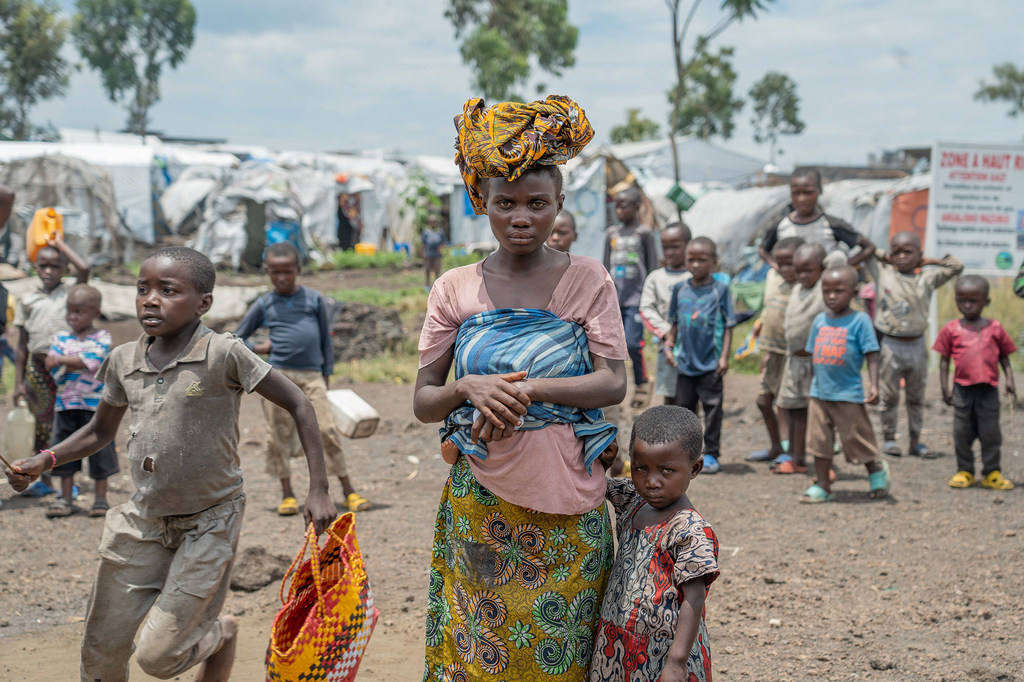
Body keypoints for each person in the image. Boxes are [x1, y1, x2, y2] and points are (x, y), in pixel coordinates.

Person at [3, 246, 337, 681]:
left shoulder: (223, 353)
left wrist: (318, 488)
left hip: (209, 521)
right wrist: (44, 459)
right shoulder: (123, 359)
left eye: (168, 290)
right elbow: (99, 431)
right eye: (143, 289)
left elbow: (299, 402)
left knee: (159, 657)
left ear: (203, 303)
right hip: (142, 520)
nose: (150, 300)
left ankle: (221, 635)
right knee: (100, 655)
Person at [416, 95, 626, 681]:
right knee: (481, 649)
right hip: (482, 500)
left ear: (559, 205)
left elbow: (613, 383)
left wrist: (528, 390)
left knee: (562, 652)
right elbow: (424, 401)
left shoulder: (588, 279)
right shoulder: (454, 288)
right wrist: (468, 387)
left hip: (568, 494)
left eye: (537, 203)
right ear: (481, 203)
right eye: (505, 203)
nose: (521, 217)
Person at [235, 241, 370, 515]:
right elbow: (236, 339)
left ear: (298, 269)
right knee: (278, 433)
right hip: (277, 377)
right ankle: (287, 494)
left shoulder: (314, 299)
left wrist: (326, 375)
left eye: (287, 271)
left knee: (326, 430)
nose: (281, 277)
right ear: (267, 271)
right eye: (275, 272)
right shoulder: (265, 303)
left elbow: (325, 342)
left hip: (312, 376)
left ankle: (348, 490)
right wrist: (260, 348)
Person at [588, 405, 719, 682]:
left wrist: (677, 662)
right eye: (641, 468)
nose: (651, 482)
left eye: (666, 471)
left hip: (664, 652)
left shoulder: (689, 529)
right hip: (616, 643)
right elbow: (598, 485)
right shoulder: (633, 501)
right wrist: (605, 463)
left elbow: (694, 598)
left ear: (695, 468)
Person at [865, 232, 962, 458]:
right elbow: (868, 252)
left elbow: (956, 266)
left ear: (919, 255)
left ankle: (915, 441)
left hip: (916, 344)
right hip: (890, 344)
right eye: (896, 252)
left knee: (916, 397)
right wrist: (886, 257)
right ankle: (889, 439)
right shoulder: (884, 274)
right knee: (889, 396)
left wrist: (928, 261)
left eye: (908, 252)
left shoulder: (926, 279)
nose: (901, 257)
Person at [799, 265, 891, 503]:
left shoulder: (860, 321)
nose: (831, 296)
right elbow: (813, 356)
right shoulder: (820, 320)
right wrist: (811, 387)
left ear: (854, 292)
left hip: (848, 393)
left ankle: (876, 471)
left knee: (855, 439)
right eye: (826, 291)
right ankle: (823, 484)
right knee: (819, 443)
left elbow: (872, 353)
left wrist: (874, 385)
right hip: (820, 393)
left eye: (838, 291)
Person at [12, 234, 90, 497]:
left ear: (65, 269)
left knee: (65, 424)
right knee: (40, 425)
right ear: (35, 267)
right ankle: (44, 479)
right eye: (43, 265)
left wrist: (60, 245)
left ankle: (67, 482)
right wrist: (19, 382)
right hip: (37, 370)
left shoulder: (71, 294)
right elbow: (22, 345)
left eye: (56, 266)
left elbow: (84, 269)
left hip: (66, 369)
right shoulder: (28, 300)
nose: (48, 271)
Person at [934, 275, 1016, 491]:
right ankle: (965, 471)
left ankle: (992, 472)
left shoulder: (995, 328)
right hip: (962, 390)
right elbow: (944, 361)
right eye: (962, 300)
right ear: (956, 301)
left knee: (991, 433)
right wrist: (945, 388)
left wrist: (1010, 380)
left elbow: (1004, 356)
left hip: (988, 389)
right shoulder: (951, 329)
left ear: (986, 301)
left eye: (973, 300)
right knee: (962, 433)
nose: (967, 305)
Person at [43, 285, 118, 518]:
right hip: (66, 405)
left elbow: (94, 361)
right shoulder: (61, 337)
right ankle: (65, 499)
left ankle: (100, 499)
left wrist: (63, 360)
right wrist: (74, 361)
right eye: (69, 311)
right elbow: (49, 363)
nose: (72, 317)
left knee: (100, 451)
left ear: (96, 313)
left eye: (79, 312)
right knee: (63, 451)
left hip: (95, 407)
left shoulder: (102, 337)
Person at [663, 237, 734, 475]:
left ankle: (712, 453)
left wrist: (724, 357)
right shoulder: (680, 289)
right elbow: (674, 322)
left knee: (713, 410)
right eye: (691, 259)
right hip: (685, 363)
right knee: (685, 411)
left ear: (713, 261)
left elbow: (729, 325)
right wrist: (669, 346)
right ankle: (688, 453)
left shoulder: (719, 290)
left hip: (711, 364)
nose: (695, 264)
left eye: (702, 260)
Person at [772, 242, 830, 475]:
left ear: (822, 269)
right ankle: (796, 457)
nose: (803, 275)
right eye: (799, 270)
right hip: (793, 361)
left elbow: (838, 259)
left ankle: (818, 460)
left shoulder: (823, 289)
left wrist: (827, 264)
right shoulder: (797, 289)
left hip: (814, 362)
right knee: (794, 410)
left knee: (814, 413)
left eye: (809, 270)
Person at [747, 237, 803, 463]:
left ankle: (792, 453)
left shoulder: (803, 288)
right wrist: (767, 351)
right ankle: (777, 447)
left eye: (791, 264)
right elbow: (770, 311)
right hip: (774, 352)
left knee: (789, 404)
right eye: (781, 264)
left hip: (793, 355)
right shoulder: (776, 280)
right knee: (763, 401)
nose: (785, 269)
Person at [604, 186, 659, 408]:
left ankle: (642, 382)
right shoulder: (611, 233)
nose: (619, 210)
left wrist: (653, 296)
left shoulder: (644, 233)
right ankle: (615, 387)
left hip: (637, 298)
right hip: (616, 299)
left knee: (634, 344)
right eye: (616, 206)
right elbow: (605, 267)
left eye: (624, 206)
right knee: (613, 346)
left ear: (637, 207)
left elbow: (653, 265)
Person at [759, 167, 875, 268]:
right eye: (796, 193)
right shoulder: (781, 225)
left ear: (819, 190)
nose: (801, 199)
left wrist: (840, 268)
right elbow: (763, 249)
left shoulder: (831, 224)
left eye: (808, 192)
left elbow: (869, 247)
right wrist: (777, 267)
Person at [639, 222, 691, 406]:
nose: (669, 252)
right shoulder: (656, 278)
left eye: (675, 247)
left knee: (691, 395)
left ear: (688, 245)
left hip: (694, 348)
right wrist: (667, 332)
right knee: (670, 394)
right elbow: (646, 309)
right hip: (667, 347)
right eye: (665, 247)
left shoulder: (695, 277)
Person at [421, 213, 446, 290]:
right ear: (428, 223)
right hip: (428, 253)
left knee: (437, 270)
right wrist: (423, 252)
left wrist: (441, 247)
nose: (433, 224)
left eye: (435, 222)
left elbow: (443, 242)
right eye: (431, 222)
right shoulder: (426, 232)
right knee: (427, 270)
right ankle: (427, 286)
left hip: (437, 254)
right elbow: (423, 243)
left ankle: (436, 286)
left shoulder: (440, 232)